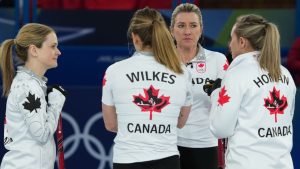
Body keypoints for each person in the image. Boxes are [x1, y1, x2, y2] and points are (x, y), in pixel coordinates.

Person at [102, 7, 192, 169]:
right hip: (168, 160)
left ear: (135, 37)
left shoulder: (114, 71)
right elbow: (180, 122)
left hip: (127, 160)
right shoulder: (181, 71)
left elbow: (111, 124)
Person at [209, 14, 296, 169]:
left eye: (232, 39)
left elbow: (220, 128)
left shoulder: (236, 74)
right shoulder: (285, 74)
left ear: (242, 42)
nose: (230, 45)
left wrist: (216, 93)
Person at [0, 23, 67, 169]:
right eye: (53, 46)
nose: (58, 52)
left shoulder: (31, 85)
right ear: (34, 50)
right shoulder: (27, 87)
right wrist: (56, 104)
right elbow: (41, 135)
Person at [170, 3, 228, 169]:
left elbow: (226, 104)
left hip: (206, 145)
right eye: (181, 26)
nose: (187, 31)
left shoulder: (218, 60)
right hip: (168, 145)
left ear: (201, 29)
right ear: (171, 30)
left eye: (193, 25)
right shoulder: (160, 62)